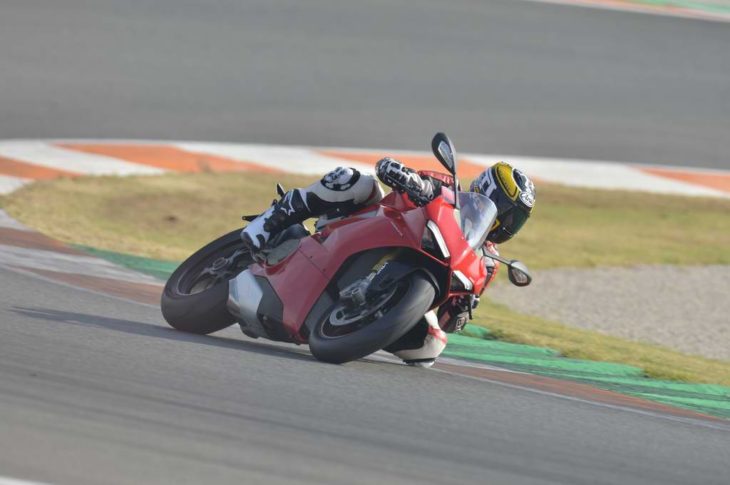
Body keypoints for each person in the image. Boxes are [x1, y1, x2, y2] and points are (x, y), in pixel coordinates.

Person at [242, 158, 536, 367]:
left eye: (517, 219)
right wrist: (403, 176)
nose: (509, 223)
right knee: (353, 180)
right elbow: (389, 168)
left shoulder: (487, 262)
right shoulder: (446, 187)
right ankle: (271, 222)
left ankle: (360, 327)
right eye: (508, 213)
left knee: (431, 348)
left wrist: (464, 305)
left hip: (413, 278)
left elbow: (450, 321)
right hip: (368, 226)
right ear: (488, 190)